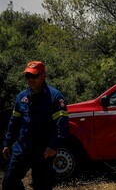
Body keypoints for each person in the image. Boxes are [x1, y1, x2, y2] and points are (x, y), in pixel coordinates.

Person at [2, 61, 69, 190]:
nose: (31, 79)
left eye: (34, 76)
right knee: (9, 182)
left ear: (44, 75)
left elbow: (61, 125)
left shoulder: (55, 97)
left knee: (42, 186)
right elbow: (14, 122)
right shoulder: (21, 97)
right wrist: (7, 143)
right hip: (22, 148)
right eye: (28, 76)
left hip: (44, 151)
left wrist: (53, 146)